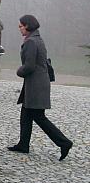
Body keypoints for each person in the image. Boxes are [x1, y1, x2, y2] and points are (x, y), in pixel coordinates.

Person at [8, 14, 73, 160]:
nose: (19, 29)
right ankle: (23, 144)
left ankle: (64, 142)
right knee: (26, 114)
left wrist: (19, 71)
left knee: (39, 117)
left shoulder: (31, 42)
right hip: (36, 84)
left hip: (36, 85)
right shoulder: (37, 39)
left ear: (27, 26)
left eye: (20, 26)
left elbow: (29, 66)